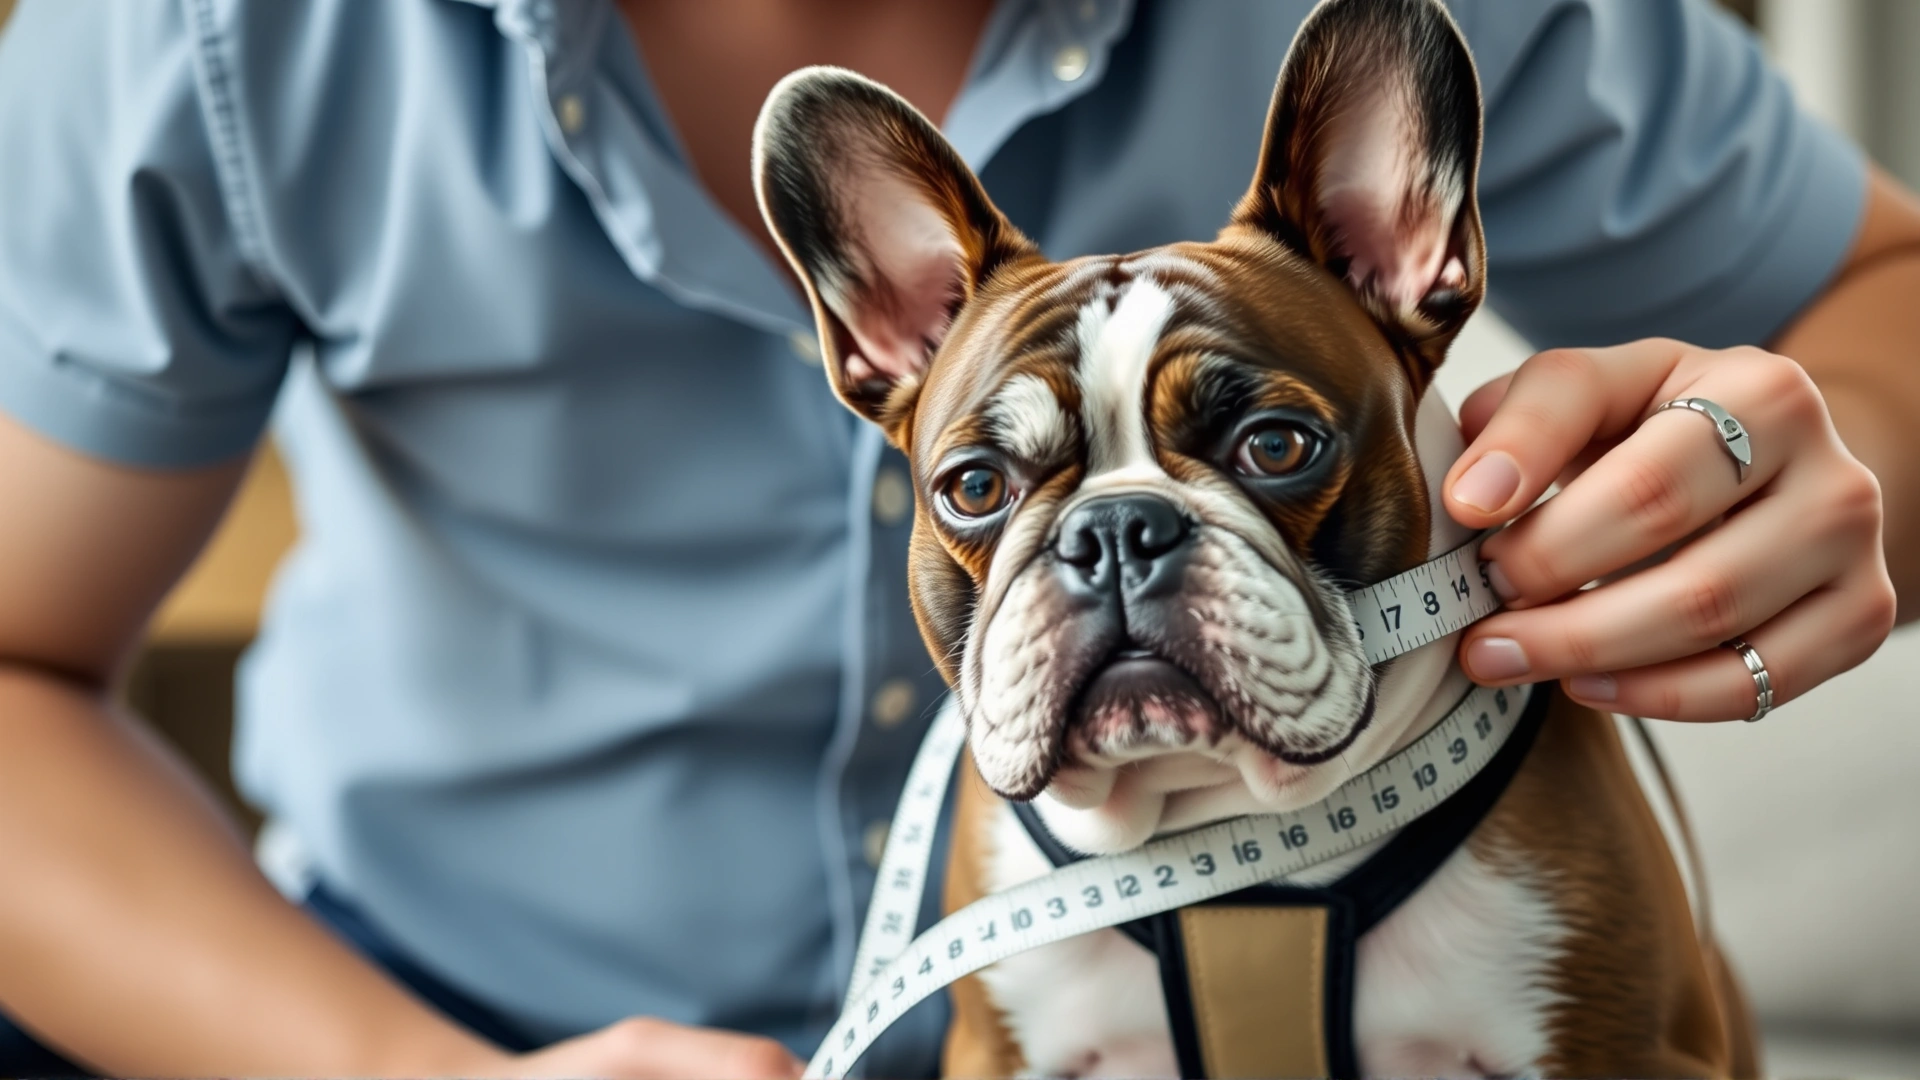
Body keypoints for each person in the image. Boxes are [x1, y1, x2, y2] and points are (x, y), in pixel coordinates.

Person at [0, 0, 1906, 1075]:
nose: (1117, 564)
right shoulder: (216, 36)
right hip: (435, 1012)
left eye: (1262, 449)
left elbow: (1884, 295)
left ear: (1412, 269)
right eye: (993, 496)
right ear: (878, 337)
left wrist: (1836, 461)